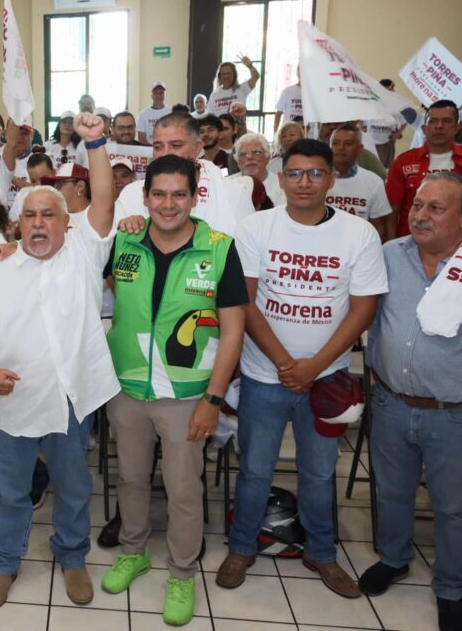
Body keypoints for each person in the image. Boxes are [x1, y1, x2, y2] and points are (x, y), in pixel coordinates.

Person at [218, 138, 388, 599]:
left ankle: (322, 552)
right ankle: (241, 547)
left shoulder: (360, 234)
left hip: (327, 378)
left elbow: (363, 309)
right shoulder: (256, 228)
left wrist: (313, 365)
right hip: (262, 374)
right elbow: (245, 301)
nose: (304, 182)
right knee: (254, 468)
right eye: (294, 173)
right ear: (280, 179)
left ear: (332, 178)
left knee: (318, 471)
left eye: (315, 173)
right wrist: (283, 362)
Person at [0, 112, 120, 610]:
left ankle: (72, 557)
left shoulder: (84, 254)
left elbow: (103, 198)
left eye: (48, 215)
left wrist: (94, 141)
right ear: (16, 224)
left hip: (73, 399)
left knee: (73, 488)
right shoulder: (0, 269)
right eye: (29, 216)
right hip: (16, 401)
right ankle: (5, 565)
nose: (38, 224)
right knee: (10, 493)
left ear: (65, 222)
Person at [101, 155, 247, 626]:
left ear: (194, 197)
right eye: (158, 194)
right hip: (126, 389)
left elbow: (233, 332)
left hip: (187, 395)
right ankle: (134, 551)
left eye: (178, 194)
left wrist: (212, 399)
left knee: (184, 489)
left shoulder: (220, 248)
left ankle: (182, 573)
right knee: (130, 478)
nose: (168, 204)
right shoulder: (124, 240)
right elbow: (103, 282)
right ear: (144, 198)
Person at [361, 172, 462, 631]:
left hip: (452, 414)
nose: (419, 215)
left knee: (453, 506)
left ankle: (451, 587)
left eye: (435, 209)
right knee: (392, 490)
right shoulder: (389, 255)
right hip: (391, 402)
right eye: (418, 205)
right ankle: (395, 558)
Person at [114, 113, 255, 236]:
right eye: (158, 147)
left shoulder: (234, 194)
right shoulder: (131, 193)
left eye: (176, 145)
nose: (165, 153)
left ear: (197, 148)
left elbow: (246, 255)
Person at [386, 99, 462, 239]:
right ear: (424, 129)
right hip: (410, 244)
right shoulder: (403, 162)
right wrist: (391, 247)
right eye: (433, 121)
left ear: (457, 128)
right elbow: (392, 212)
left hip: (456, 248)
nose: (439, 126)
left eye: (446, 121)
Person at [328, 123, 393, 241]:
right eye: (335, 143)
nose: (340, 147)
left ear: (360, 149)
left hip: (358, 249)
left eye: (348, 143)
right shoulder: (316, 178)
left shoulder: (374, 182)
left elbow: (378, 226)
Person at [317, 122, 387, 178]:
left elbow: (381, 176)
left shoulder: (365, 155)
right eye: (326, 124)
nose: (332, 127)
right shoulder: (315, 153)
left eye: (337, 123)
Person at [368, 79, 408, 169]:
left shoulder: (395, 105)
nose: (393, 91)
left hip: (386, 143)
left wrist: (397, 134)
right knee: (370, 168)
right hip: (371, 142)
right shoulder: (372, 103)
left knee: (383, 169)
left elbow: (404, 122)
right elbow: (362, 119)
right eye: (391, 88)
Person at [9, 152, 54, 227]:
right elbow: (12, 229)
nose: (39, 185)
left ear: (54, 173)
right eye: (33, 181)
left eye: (43, 179)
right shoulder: (23, 195)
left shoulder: (65, 193)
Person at [231, 133, 275, 210]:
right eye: (243, 154)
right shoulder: (227, 184)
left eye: (256, 152)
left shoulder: (282, 186)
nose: (250, 157)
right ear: (237, 161)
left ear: (268, 157)